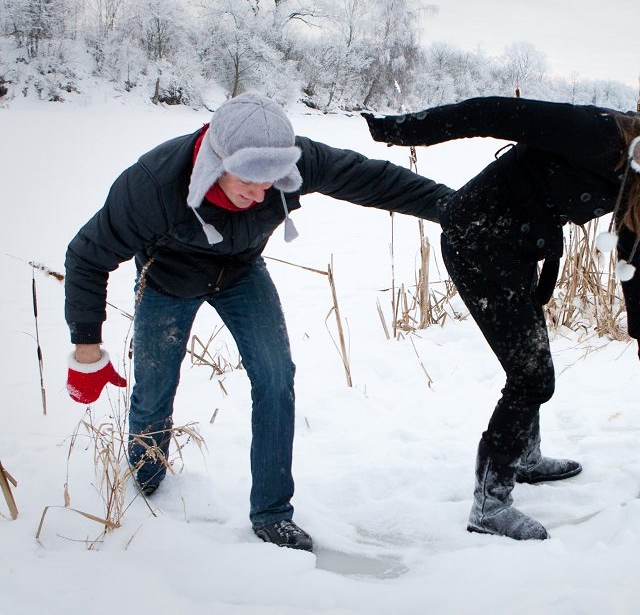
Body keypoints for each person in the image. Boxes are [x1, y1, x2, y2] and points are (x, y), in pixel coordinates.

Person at [64, 92, 453, 552]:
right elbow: (87, 255)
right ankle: (145, 483)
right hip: (168, 281)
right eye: (249, 179)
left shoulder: (292, 160)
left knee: (275, 378)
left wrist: (455, 208)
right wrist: (86, 350)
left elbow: (370, 179)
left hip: (242, 272)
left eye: (272, 182)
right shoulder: (152, 184)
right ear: (216, 159)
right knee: (154, 391)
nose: (260, 194)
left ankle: (271, 512)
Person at [363, 97, 640, 540]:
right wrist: (401, 130)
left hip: (518, 246)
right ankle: (490, 505)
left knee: (531, 361)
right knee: (532, 378)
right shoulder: (602, 135)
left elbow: (633, 251)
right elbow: (495, 113)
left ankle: (525, 459)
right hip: (478, 241)